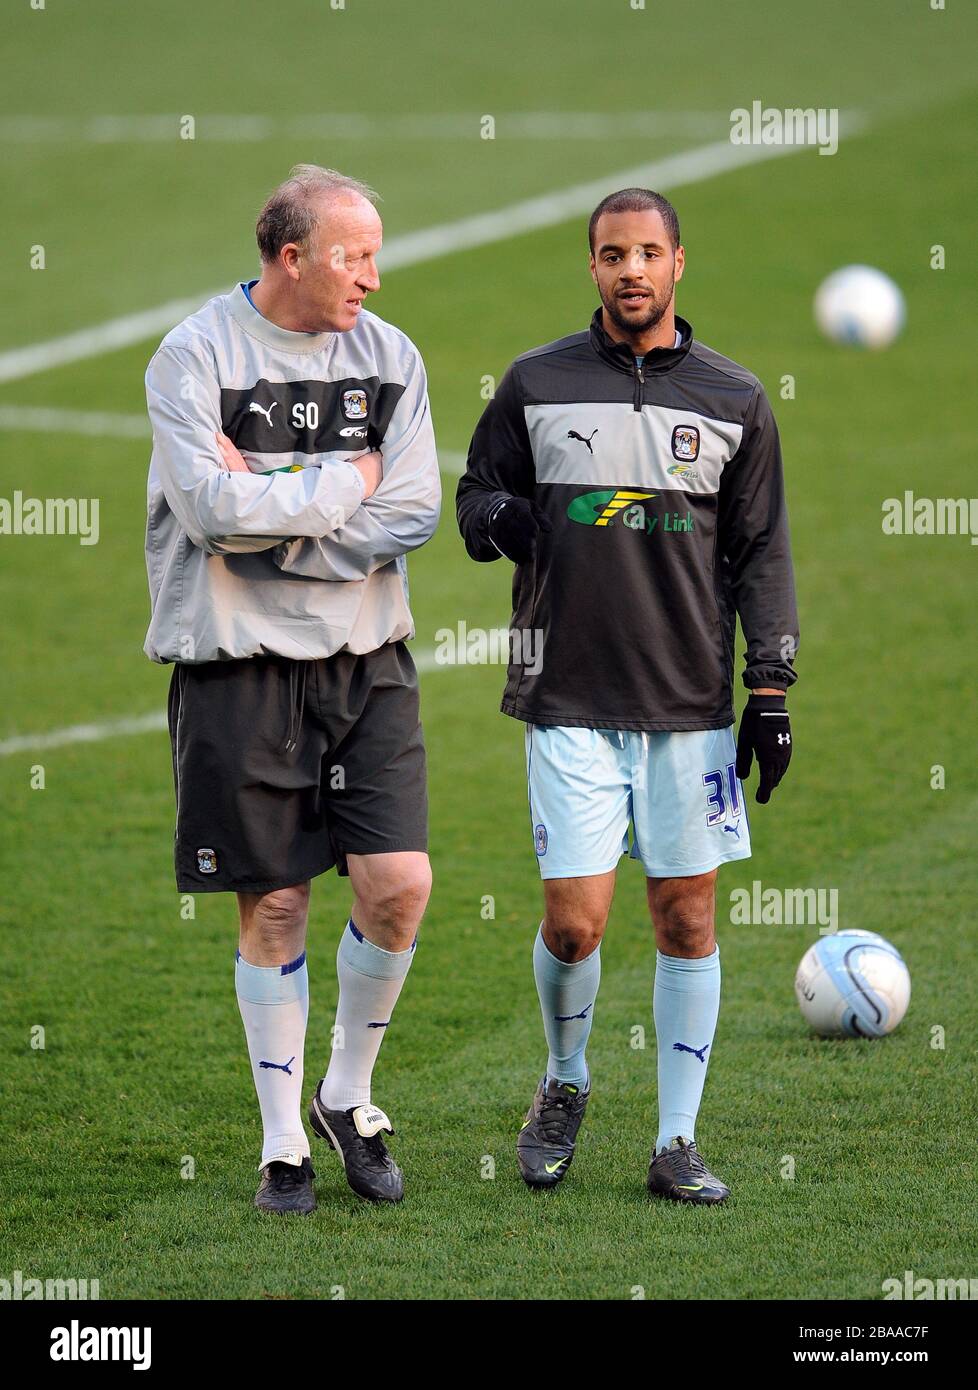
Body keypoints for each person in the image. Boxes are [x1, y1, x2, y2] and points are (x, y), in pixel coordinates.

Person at [456, 187, 797, 1203]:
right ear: (592, 265)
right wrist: (501, 521)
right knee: (576, 924)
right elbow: (474, 494)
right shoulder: (534, 382)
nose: (631, 270)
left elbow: (762, 552)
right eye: (613, 254)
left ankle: (677, 1142)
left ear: (679, 263)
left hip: (690, 708)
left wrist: (769, 686)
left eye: (649, 252)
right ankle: (564, 1081)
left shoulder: (736, 399)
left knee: (687, 917)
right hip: (567, 698)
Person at [144, 165, 440, 1214]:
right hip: (238, 665)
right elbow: (215, 517)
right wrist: (334, 484)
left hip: (369, 663)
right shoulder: (193, 356)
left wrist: (280, 510)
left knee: (399, 881)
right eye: (353, 254)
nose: (371, 273)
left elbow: (410, 511)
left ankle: (346, 1096)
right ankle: (284, 1149)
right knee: (273, 901)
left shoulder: (389, 356)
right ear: (290, 255)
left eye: (374, 252)